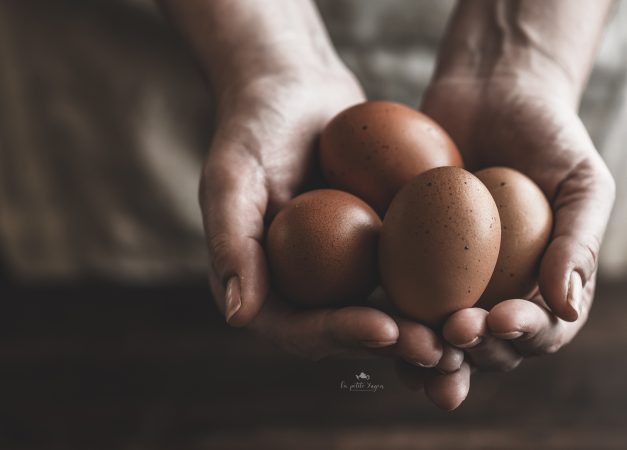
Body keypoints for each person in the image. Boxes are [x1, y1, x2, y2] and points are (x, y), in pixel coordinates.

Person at [0, 0, 616, 410]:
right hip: (150, 70)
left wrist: (523, 56)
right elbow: (435, 208)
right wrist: (264, 58)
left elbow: (444, 206)